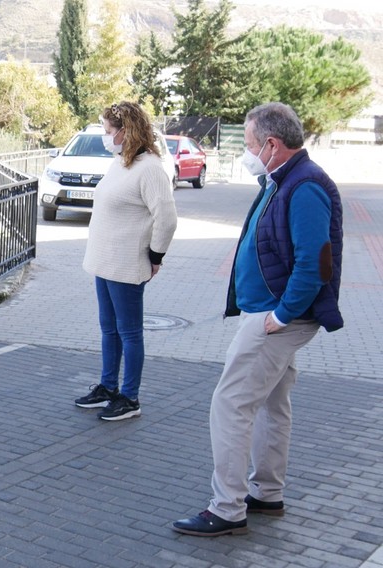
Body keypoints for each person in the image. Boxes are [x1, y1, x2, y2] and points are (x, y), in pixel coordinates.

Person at [173, 102, 343, 536]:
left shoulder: (304, 186)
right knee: (272, 403)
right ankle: (266, 493)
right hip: (271, 312)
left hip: (276, 317)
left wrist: (281, 316)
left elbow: (314, 263)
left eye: (249, 144)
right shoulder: (282, 179)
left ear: (271, 144)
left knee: (230, 404)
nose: (246, 153)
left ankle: (227, 508)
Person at [74, 101, 178, 421]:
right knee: (109, 329)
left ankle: (130, 398)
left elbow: (167, 218)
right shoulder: (120, 162)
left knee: (129, 332)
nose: (106, 137)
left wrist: (155, 256)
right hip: (104, 262)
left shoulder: (150, 169)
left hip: (127, 263)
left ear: (126, 131)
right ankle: (108, 387)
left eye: (108, 131)